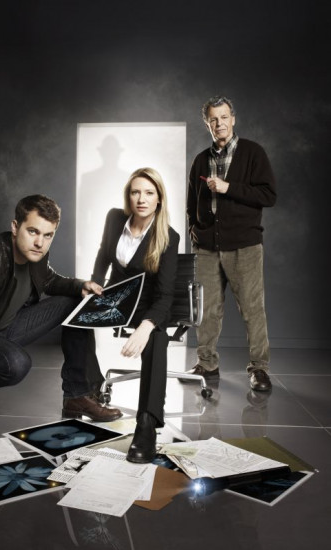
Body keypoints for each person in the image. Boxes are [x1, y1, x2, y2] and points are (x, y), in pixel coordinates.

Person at [0, 194, 122, 460]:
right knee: (16, 364)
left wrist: (80, 285)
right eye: (33, 231)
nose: (39, 242)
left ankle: (76, 395)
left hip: (7, 327)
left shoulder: (35, 254)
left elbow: (49, 280)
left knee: (77, 302)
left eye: (48, 235)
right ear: (15, 227)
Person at [186, 95, 276, 392]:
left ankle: (259, 369)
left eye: (224, 117)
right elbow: (191, 203)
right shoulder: (201, 159)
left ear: (233, 119)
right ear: (207, 124)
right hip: (207, 248)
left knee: (252, 309)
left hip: (244, 246)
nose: (219, 123)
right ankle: (207, 363)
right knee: (206, 309)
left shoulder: (253, 153)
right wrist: (195, 231)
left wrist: (229, 188)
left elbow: (268, 195)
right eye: (213, 119)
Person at [91, 167, 180, 463]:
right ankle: (82, 392)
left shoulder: (168, 237)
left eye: (149, 193)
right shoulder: (115, 218)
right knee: (70, 313)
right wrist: (95, 283)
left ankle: (147, 424)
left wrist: (146, 326)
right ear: (128, 196)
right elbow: (104, 254)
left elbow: (164, 296)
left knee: (156, 338)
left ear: (159, 198)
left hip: (148, 306)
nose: (141, 199)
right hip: (116, 299)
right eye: (135, 192)